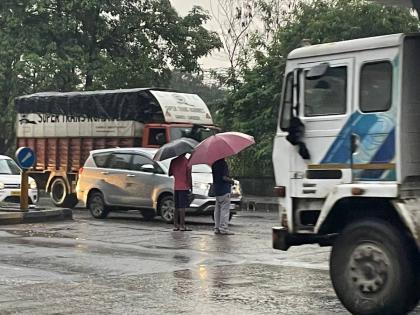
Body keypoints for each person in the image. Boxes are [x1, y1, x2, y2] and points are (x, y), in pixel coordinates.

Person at [168, 153, 192, 231]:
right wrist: (190, 186)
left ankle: (175, 225)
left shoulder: (173, 161)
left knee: (176, 207)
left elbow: (170, 173)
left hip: (176, 187)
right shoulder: (187, 161)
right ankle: (182, 225)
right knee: (182, 207)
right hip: (184, 187)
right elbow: (189, 176)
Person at [212, 158, 235, 235]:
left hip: (217, 189)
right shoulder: (223, 164)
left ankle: (217, 227)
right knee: (224, 210)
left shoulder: (214, 164)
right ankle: (223, 228)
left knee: (217, 210)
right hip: (224, 189)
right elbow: (224, 177)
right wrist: (232, 181)